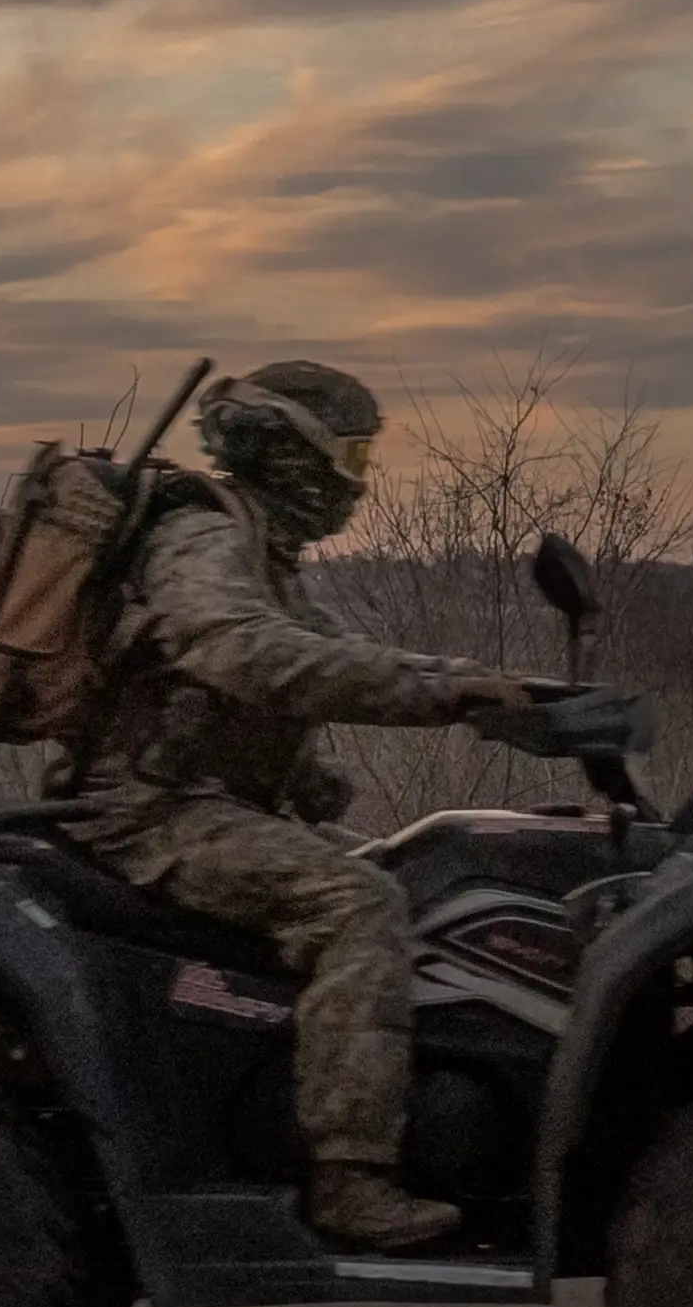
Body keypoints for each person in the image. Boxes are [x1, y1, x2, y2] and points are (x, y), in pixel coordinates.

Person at [45, 357, 545, 1255]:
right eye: (349, 458)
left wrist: (479, 686)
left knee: (424, 873)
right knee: (355, 903)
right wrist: (440, 696)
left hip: (205, 801)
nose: (357, 482)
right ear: (290, 452)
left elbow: (326, 649)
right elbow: (243, 649)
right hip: (151, 812)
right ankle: (349, 1176)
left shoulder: (261, 546)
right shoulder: (202, 534)